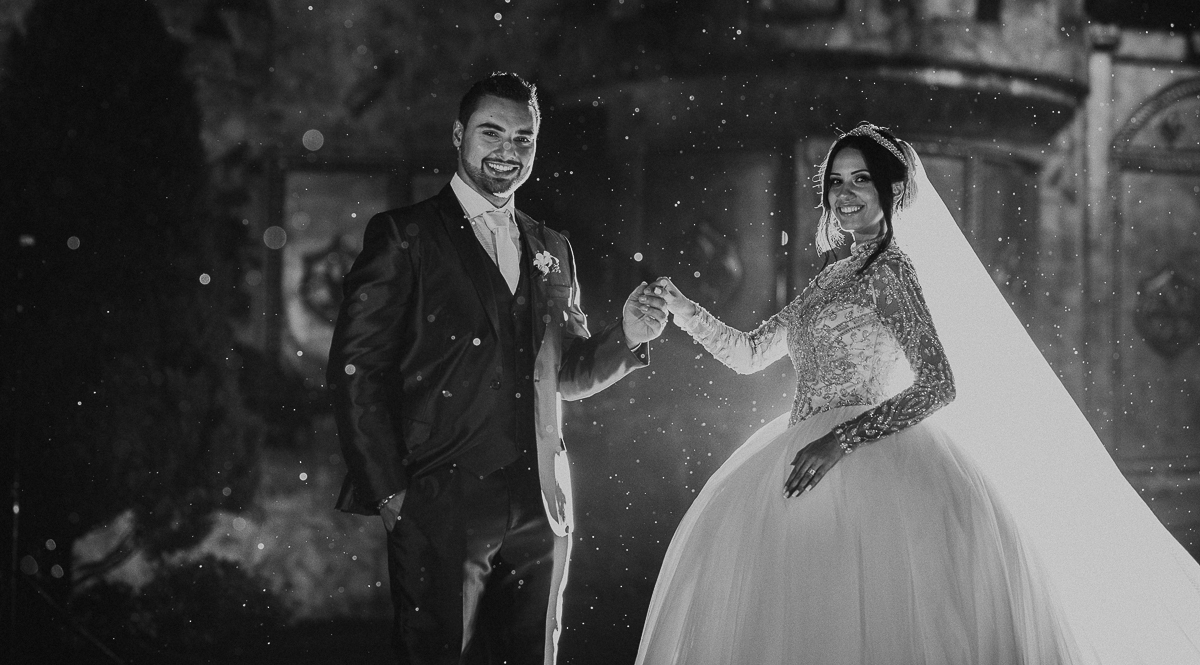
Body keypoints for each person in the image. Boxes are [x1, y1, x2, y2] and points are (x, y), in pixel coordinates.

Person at [636, 124, 1200, 665]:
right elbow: (750, 353)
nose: (845, 192)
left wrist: (842, 438)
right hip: (802, 452)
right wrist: (683, 309)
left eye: (861, 179)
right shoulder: (829, 278)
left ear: (892, 190)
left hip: (869, 461)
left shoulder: (892, 270)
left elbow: (937, 383)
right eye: (836, 181)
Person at [328, 72, 668, 665]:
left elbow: (570, 372)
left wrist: (628, 337)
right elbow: (357, 369)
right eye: (493, 133)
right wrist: (391, 494)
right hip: (439, 499)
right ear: (459, 135)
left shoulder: (551, 246)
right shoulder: (405, 237)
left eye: (524, 138)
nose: (508, 151)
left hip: (542, 501)